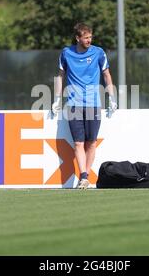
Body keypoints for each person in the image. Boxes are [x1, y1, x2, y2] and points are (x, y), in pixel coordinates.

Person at [52, 23, 117, 189]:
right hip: (73, 104)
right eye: (86, 37)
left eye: (90, 37)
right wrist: (57, 99)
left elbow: (106, 75)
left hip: (94, 104)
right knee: (78, 143)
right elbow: (60, 76)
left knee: (92, 142)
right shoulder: (66, 53)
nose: (89, 40)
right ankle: (83, 176)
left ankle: (85, 177)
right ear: (77, 38)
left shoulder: (98, 53)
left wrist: (112, 97)